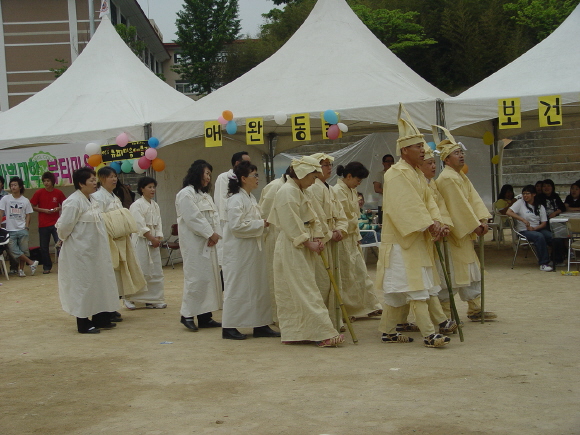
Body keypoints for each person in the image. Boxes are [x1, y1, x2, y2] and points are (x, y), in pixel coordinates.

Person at [376, 106, 451, 348]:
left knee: (406, 289)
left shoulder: (418, 175)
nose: (422, 150)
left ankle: (388, 332)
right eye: (418, 146)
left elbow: (429, 202)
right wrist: (429, 224)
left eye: (423, 146)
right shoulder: (395, 174)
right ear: (405, 150)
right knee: (413, 288)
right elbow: (405, 207)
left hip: (416, 240)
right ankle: (429, 333)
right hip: (402, 242)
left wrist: (437, 222)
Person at [267, 156, 344, 347]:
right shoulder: (287, 192)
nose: (313, 181)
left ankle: (297, 332)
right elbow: (289, 221)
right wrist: (306, 241)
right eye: (312, 177)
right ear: (302, 174)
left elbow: (315, 216)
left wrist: (318, 236)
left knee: (300, 288)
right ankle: (323, 332)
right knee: (305, 289)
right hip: (293, 246)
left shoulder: (302, 190)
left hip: (304, 245)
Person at [434, 125, 496, 322]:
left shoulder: (460, 176)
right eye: (456, 153)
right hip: (453, 234)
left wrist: (482, 220)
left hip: (464, 233)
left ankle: (475, 308)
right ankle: (445, 313)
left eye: (461, 152)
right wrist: (474, 225)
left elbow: (474, 200)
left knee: (471, 271)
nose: (461, 156)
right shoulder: (446, 179)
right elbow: (457, 206)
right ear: (446, 159)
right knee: (450, 275)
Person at [221, 161, 279, 340]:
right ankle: (229, 326)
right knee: (237, 287)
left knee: (258, 286)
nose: (257, 179)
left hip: (254, 250)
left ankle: (260, 323)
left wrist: (265, 225)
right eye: (254, 175)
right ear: (243, 178)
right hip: (239, 252)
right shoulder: (235, 199)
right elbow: (237, 226)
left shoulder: (251, 198)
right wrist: (261, 224)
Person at [56, 167, 119, 333]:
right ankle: (83, 322)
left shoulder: (93, 200)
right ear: (80, 183)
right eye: (91, 180)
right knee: (83, 285)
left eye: (94, 180)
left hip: (96, 251)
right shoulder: (73, 201)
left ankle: (100, 317)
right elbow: (63, 228)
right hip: (80, 252)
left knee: (99, 283)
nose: (94, 183)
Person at [92, 167, 146, 321]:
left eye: (115, 176)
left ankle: (113, 306)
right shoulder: (97, 197)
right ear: (102, 179)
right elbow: (100, 219)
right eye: (110, 177)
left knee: (118, 275)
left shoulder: (115, 196)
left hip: (120, 240)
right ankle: (106, 309)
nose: (114, 179)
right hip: (108, 241)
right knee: (109, 275)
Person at [176, 160, 222, 331]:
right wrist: (210, 233)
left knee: (209, 279)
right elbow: (193, 218)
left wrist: (216, 235)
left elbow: (215, 217)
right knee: (195, 278)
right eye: (206, 173)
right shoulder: (185, 194)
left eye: (210, 174)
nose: (208, 177)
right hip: (194, 244)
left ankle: (205, 316)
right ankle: (187, 314)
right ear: (197, 173)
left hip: (209, 244)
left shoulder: (206, 196)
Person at [333, 162, 382, 321]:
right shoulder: (337, 191)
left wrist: (358, 237)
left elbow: (355, 215)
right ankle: (348, 309)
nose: (359, 183)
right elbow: (344, 217)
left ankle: (371, 305)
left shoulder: (352, 190)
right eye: (358, 180)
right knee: (347, 275)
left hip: (353, 236)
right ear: (348, 176)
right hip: (343, 237)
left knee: (361, 273)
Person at [307, 153, 348, 330]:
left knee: (334, 282)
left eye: (330, 165)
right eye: (324, 165)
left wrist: (340, 229)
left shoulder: (329, 189)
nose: (329, 168)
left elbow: (340, 214)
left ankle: (334, 318)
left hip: (332, 238)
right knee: (322, 281)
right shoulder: (313, 188)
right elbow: (316, 217)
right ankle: (322, 323)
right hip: (321, 239)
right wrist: (329, 233)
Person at [128, 176, 167, 309]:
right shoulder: (136, 205)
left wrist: (158, 238)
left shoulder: (155, 205)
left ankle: (153, 299)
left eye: (153, 187)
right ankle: (130, 298)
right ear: (142, 189)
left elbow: (158, 223)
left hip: (153, 243)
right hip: (141, 242)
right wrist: (150, 237)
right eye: (149, 187)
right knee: (141, 270)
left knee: (155, 271)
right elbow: (139, 225)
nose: (152, 190)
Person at [214, 151, 251, 267]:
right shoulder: (224, 177)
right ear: (237, 163)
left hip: (241, 222)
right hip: (227, 222)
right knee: (227, 258)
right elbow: (221, 201)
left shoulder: (244, 179)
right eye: (247, 162)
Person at [506, 185, 553, 271]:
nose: (525, 196)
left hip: (537, 228)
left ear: (534, 194)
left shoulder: (540, 206)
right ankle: (543, 263)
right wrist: (522, 219)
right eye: (524, 194)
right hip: (524, 230)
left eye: (527, 193)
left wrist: (535, 228)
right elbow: (508, 212)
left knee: (552, 236)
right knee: (539, 237)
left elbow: (544, 223)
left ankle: (556, 259)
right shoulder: (520, 203)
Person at [0, 177, 38, 277]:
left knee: (23, 250)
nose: (13, 187)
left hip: (22, 229)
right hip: (10, 229)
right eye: (11, 185)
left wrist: (26, 226)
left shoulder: (25, 200)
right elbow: (1, 211)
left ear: (20, 187)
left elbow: (28, 214)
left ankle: (21, 270)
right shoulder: (6, 199)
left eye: (15, 185)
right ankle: (31, 262)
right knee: (12, 250)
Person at [30, 172, 66, 274]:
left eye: (48, 181)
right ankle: (47, 266)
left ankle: (63, 265)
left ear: (52, 182)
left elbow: (66, 204)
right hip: (43, 224)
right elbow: (32, 206)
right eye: (44, 181)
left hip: (56, 223)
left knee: (59, 244)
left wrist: (58, 208)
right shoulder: (39, 193)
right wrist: (43, 210)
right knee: (44, 247)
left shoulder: (58, 193)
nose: (46, 183)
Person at [541, 178, 566, 264]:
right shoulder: (539, 198)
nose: (546, 188)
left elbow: (562, 207)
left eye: (548, 186)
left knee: (564, 234)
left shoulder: (555, 196)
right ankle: (556, 259)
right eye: (544, 186)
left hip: (557, 221)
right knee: (556, 237)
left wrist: (556, 212)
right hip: (545, 223)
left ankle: (563, 255)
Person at [372, 154, 395, 224]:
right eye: (387, 161)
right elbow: (377, 189)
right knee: (384, 225)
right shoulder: (380, 174)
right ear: (383, 163)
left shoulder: (397, 174)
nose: (390, 163)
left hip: (395, 204)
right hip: (383, 205)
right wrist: (390, 192)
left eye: (391, 161)